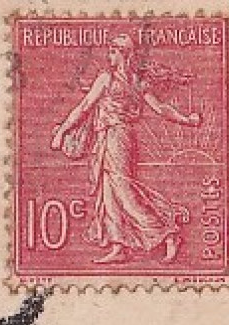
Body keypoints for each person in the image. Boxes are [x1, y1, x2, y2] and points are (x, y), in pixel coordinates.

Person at [50, 32, 204, 265]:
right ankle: (118, 246)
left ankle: (167, 233)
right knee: (109, 193)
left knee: (123, 190)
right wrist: (187, 119)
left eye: (113, 51)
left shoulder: (111, 79)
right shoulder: (134, 82)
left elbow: (84, 108)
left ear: (124, 54)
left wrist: (62, 132)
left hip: (117, 137)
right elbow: (160, 108)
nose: (109, 55)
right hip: (111, 137)